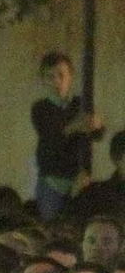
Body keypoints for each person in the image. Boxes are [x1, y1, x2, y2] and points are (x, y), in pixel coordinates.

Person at [32, 52, 104, 220]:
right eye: (50, 76)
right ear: (43, 79)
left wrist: (96, 124)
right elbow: (51, 136)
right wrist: (76, 126)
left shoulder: (80, 104)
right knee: (51, 227)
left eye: (61, 75)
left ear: (70, 77)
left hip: (79, 179)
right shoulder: (40, 108)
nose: (57, 81)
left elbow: (98, 135)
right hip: (52, 181)